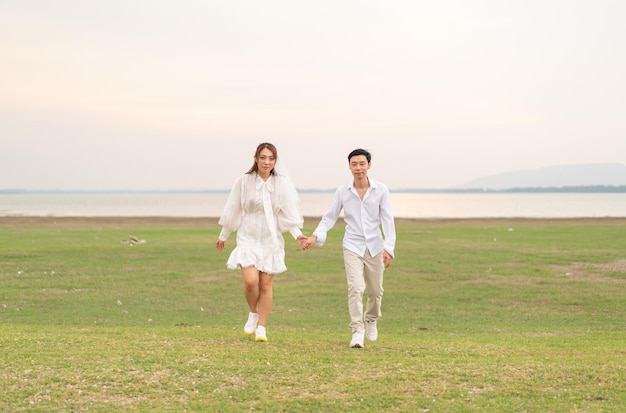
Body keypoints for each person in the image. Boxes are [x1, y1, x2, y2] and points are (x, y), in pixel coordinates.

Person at [301, 148, 396, 348]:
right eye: (354, 164)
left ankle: (370, 319)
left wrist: (389, 248)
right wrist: (315, 236)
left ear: (369, 165)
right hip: (352, 244)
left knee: (375, 291)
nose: (358, 168)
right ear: (350, 167)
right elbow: (330, 217)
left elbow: (388, 221)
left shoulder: (381, 190)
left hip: (375, 246)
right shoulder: (343, 191)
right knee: (355, 288)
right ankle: (357, 331)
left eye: (362, 164)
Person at [216, 142, 306, 343]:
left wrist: (298, 236)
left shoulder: (281, 184)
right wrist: (224, 236)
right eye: (263, 157)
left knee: (265, 284)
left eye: (271, 158)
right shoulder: (243, 181)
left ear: (275, 161)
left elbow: (288, 213)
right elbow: (233, 209)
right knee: (250, 281)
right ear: (256, 158)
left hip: (270, 239)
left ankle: (262, 328)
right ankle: (253, 313)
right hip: (247, 237)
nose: (267, 162)